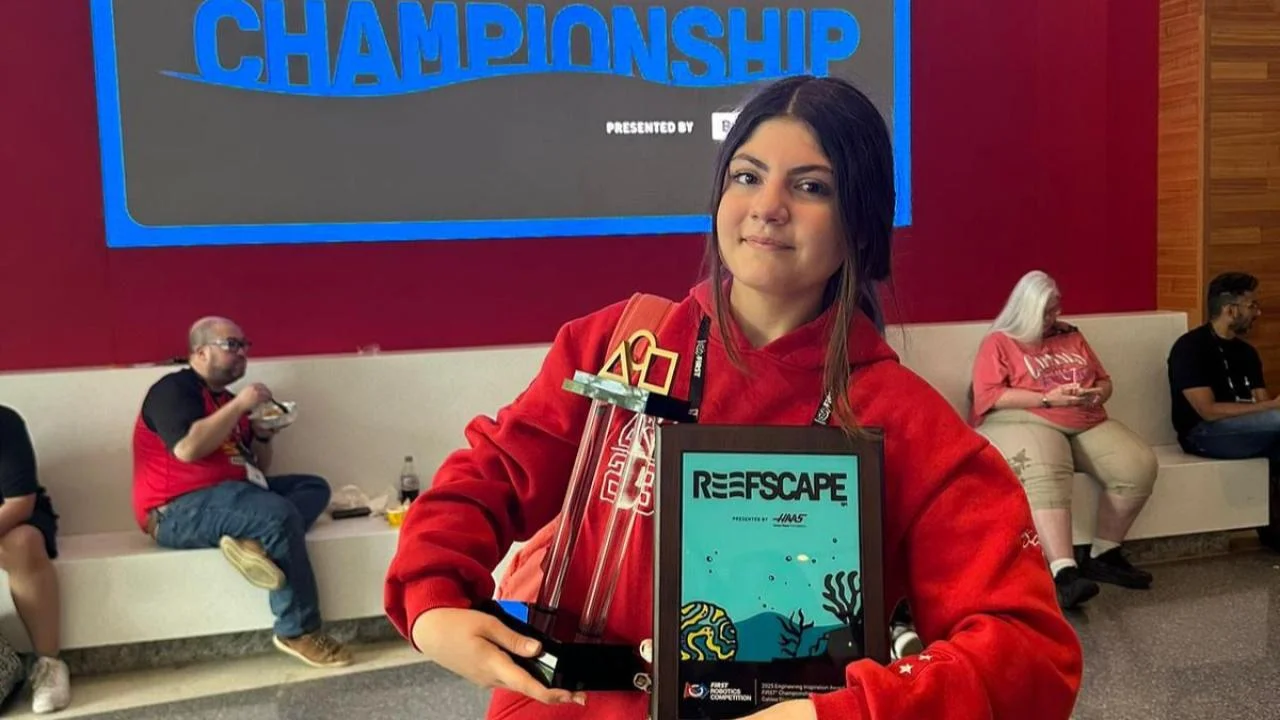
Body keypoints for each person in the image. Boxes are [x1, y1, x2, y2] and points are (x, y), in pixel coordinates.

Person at [384, 75, 1082, 720]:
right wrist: (430, 598)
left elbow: (1029, 654)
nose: (767, 207)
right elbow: (491, 473)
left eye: (811, 186)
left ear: (861, 226)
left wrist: (843, 713)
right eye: (747, 176)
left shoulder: (904, 421)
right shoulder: (620, 346)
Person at [131, 317, 353, 668]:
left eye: (244, 345)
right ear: (200, 352)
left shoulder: (228, 401)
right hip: (175, 510)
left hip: (236, 497)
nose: (242, 353)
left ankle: (252, 541)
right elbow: (187, 449)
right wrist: (239, 407)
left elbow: (258, 466)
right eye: (231, 345)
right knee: (277, 515)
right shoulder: (173, 390)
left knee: (313, 488)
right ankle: (297, 630)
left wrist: (262, 434)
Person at [970, 271, 1158, 610]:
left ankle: (1105, 553)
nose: (1053, 317)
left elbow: (1104, 380)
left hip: (1083, 417)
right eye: (1046, 312)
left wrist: (1096, 394)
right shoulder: (1000, 341)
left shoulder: (1071, 334)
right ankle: (1064, 572)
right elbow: (989, 396)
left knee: (1138, 466)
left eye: (1056, 309)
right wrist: (1047, 399)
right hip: (1024, 416)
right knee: (1046, 469)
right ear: (1027, 309)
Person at [1168, 271, 1280, 550]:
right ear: (1231, 310)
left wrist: (1267, 408)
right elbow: (1207, 411)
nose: (1257, 312)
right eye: (1252, 305)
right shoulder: (1189, 347)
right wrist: (1269, 407)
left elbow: (1262, 406)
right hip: (1202, 434)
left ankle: (1274, 532)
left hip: (1243, 429)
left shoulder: (1247, 353)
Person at [0, 405, 70, 713]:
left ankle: (49, 664)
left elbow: (19, 503)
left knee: (23, 544)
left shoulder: (4, 422)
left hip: (10, 519)